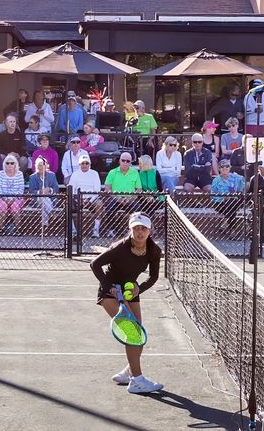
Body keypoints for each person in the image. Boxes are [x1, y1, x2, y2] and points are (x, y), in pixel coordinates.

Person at [90, 211, 164, 394]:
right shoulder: (119, 248)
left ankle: (128, 372)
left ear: (150, 230)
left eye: (143, 229)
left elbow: (153, 277)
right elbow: (95, 264)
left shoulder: (154, 250)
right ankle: (137, 380)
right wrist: (110, 288)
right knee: (132, 334)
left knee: (138, 333)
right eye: (136, 228)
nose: (140, 232)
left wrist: (140, 288)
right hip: (110, 292)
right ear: (130, 229)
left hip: (131, 291)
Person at [103, 152, 143, 238]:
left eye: (127, 161)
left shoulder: (135, 172)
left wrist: (131, 199)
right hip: (115, 199)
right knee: (109, 208)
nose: (125, 162)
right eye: (123, 160)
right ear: (119, 161)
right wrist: (117, 198)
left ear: (130, 162)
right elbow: (107, 188)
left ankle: (133, 230)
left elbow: (139, 189)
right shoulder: (112, 172)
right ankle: (110, 230)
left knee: (137, 209)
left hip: (130, 199)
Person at [69, 152, 104, 237]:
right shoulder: (75, 174)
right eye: (82, 163)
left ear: (89, 164)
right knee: (67, 205)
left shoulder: (94, 173)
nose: (84, 165)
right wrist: (79, 199)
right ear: (79, 164)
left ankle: (95, 230)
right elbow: (72, 189)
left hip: (92, 200)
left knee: (99, 204)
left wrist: (89, 201)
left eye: (86, 163)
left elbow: (97, 190)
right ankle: (73, 231)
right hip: (78, 199)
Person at [210, 159, 247, 233]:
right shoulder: (216, 180)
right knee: (231, 207)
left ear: (230, 168)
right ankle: (232, 230)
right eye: (222, 167)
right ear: (219, 169)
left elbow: (245, 185)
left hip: (235, 202)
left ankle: (226, 222)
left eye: (227, 166)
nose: (224, 168)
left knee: (232, 203)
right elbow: (212, 196)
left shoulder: (236, 178)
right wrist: (223, 198)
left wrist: (241, 191)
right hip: (220, 203)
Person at [27, 155, 60, 232]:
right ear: (36, 166)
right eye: (39, 165)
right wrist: (40, 192)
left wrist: (49, 190)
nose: (41, 167)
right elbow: (31, 191)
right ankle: (52, 213)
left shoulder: (52, 175)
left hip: (51, 200)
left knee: (45, 201)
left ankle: (44, 226)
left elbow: (56, 188)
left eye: (42, 165)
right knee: (43, 198)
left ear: (46, 166)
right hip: (36, 200)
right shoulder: (33, 177)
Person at [0, 155, 26, 234]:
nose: (9, 165)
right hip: (2, 197)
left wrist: (12, 199)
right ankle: (0, 229)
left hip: (16, 198)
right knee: (3, 206)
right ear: (4, 164)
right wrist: (5, 199)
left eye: (12, 163)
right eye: (7, 163)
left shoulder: (19, 174)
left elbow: (21, 189)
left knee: (14, 206)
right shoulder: (1, 173)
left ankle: (19, 229)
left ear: (15, 164)